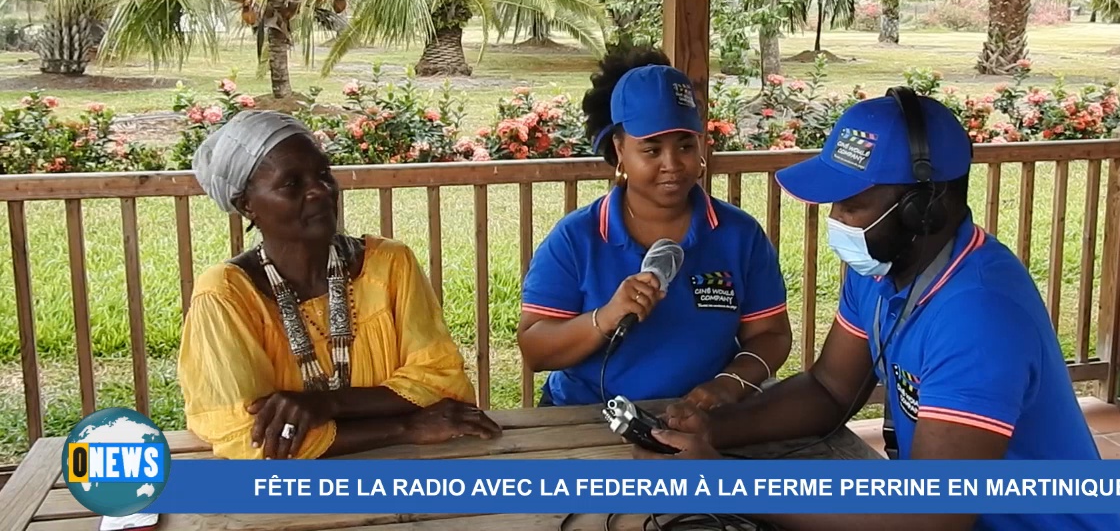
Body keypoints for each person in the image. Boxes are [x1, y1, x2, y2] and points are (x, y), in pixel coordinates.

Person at [633, 88, 1120, 531]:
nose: (836, 220)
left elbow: (934, 511)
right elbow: (830, 389)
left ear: (924, 208)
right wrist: (713, 429)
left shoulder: (979, 315)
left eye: (852, 205)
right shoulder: (883, 265)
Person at [178, 110, 500, 460]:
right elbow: (250, 437)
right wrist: (405, 427)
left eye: (322, 174)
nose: (320, 190)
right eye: (292, 184)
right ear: (247, 205)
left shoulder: (389, 264)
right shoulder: (226, 294)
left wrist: (324, 404)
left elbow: (441, 378)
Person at [517, 49, 792, 409]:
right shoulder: (575, 238)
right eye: (651, 150)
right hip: (586, 420)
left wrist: (729, 385)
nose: (672, 164)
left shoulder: (739, 236)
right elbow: (535, 350)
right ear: (620, 150)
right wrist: (606, 316)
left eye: (685, 145)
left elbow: (770, 334)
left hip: (700, 421)